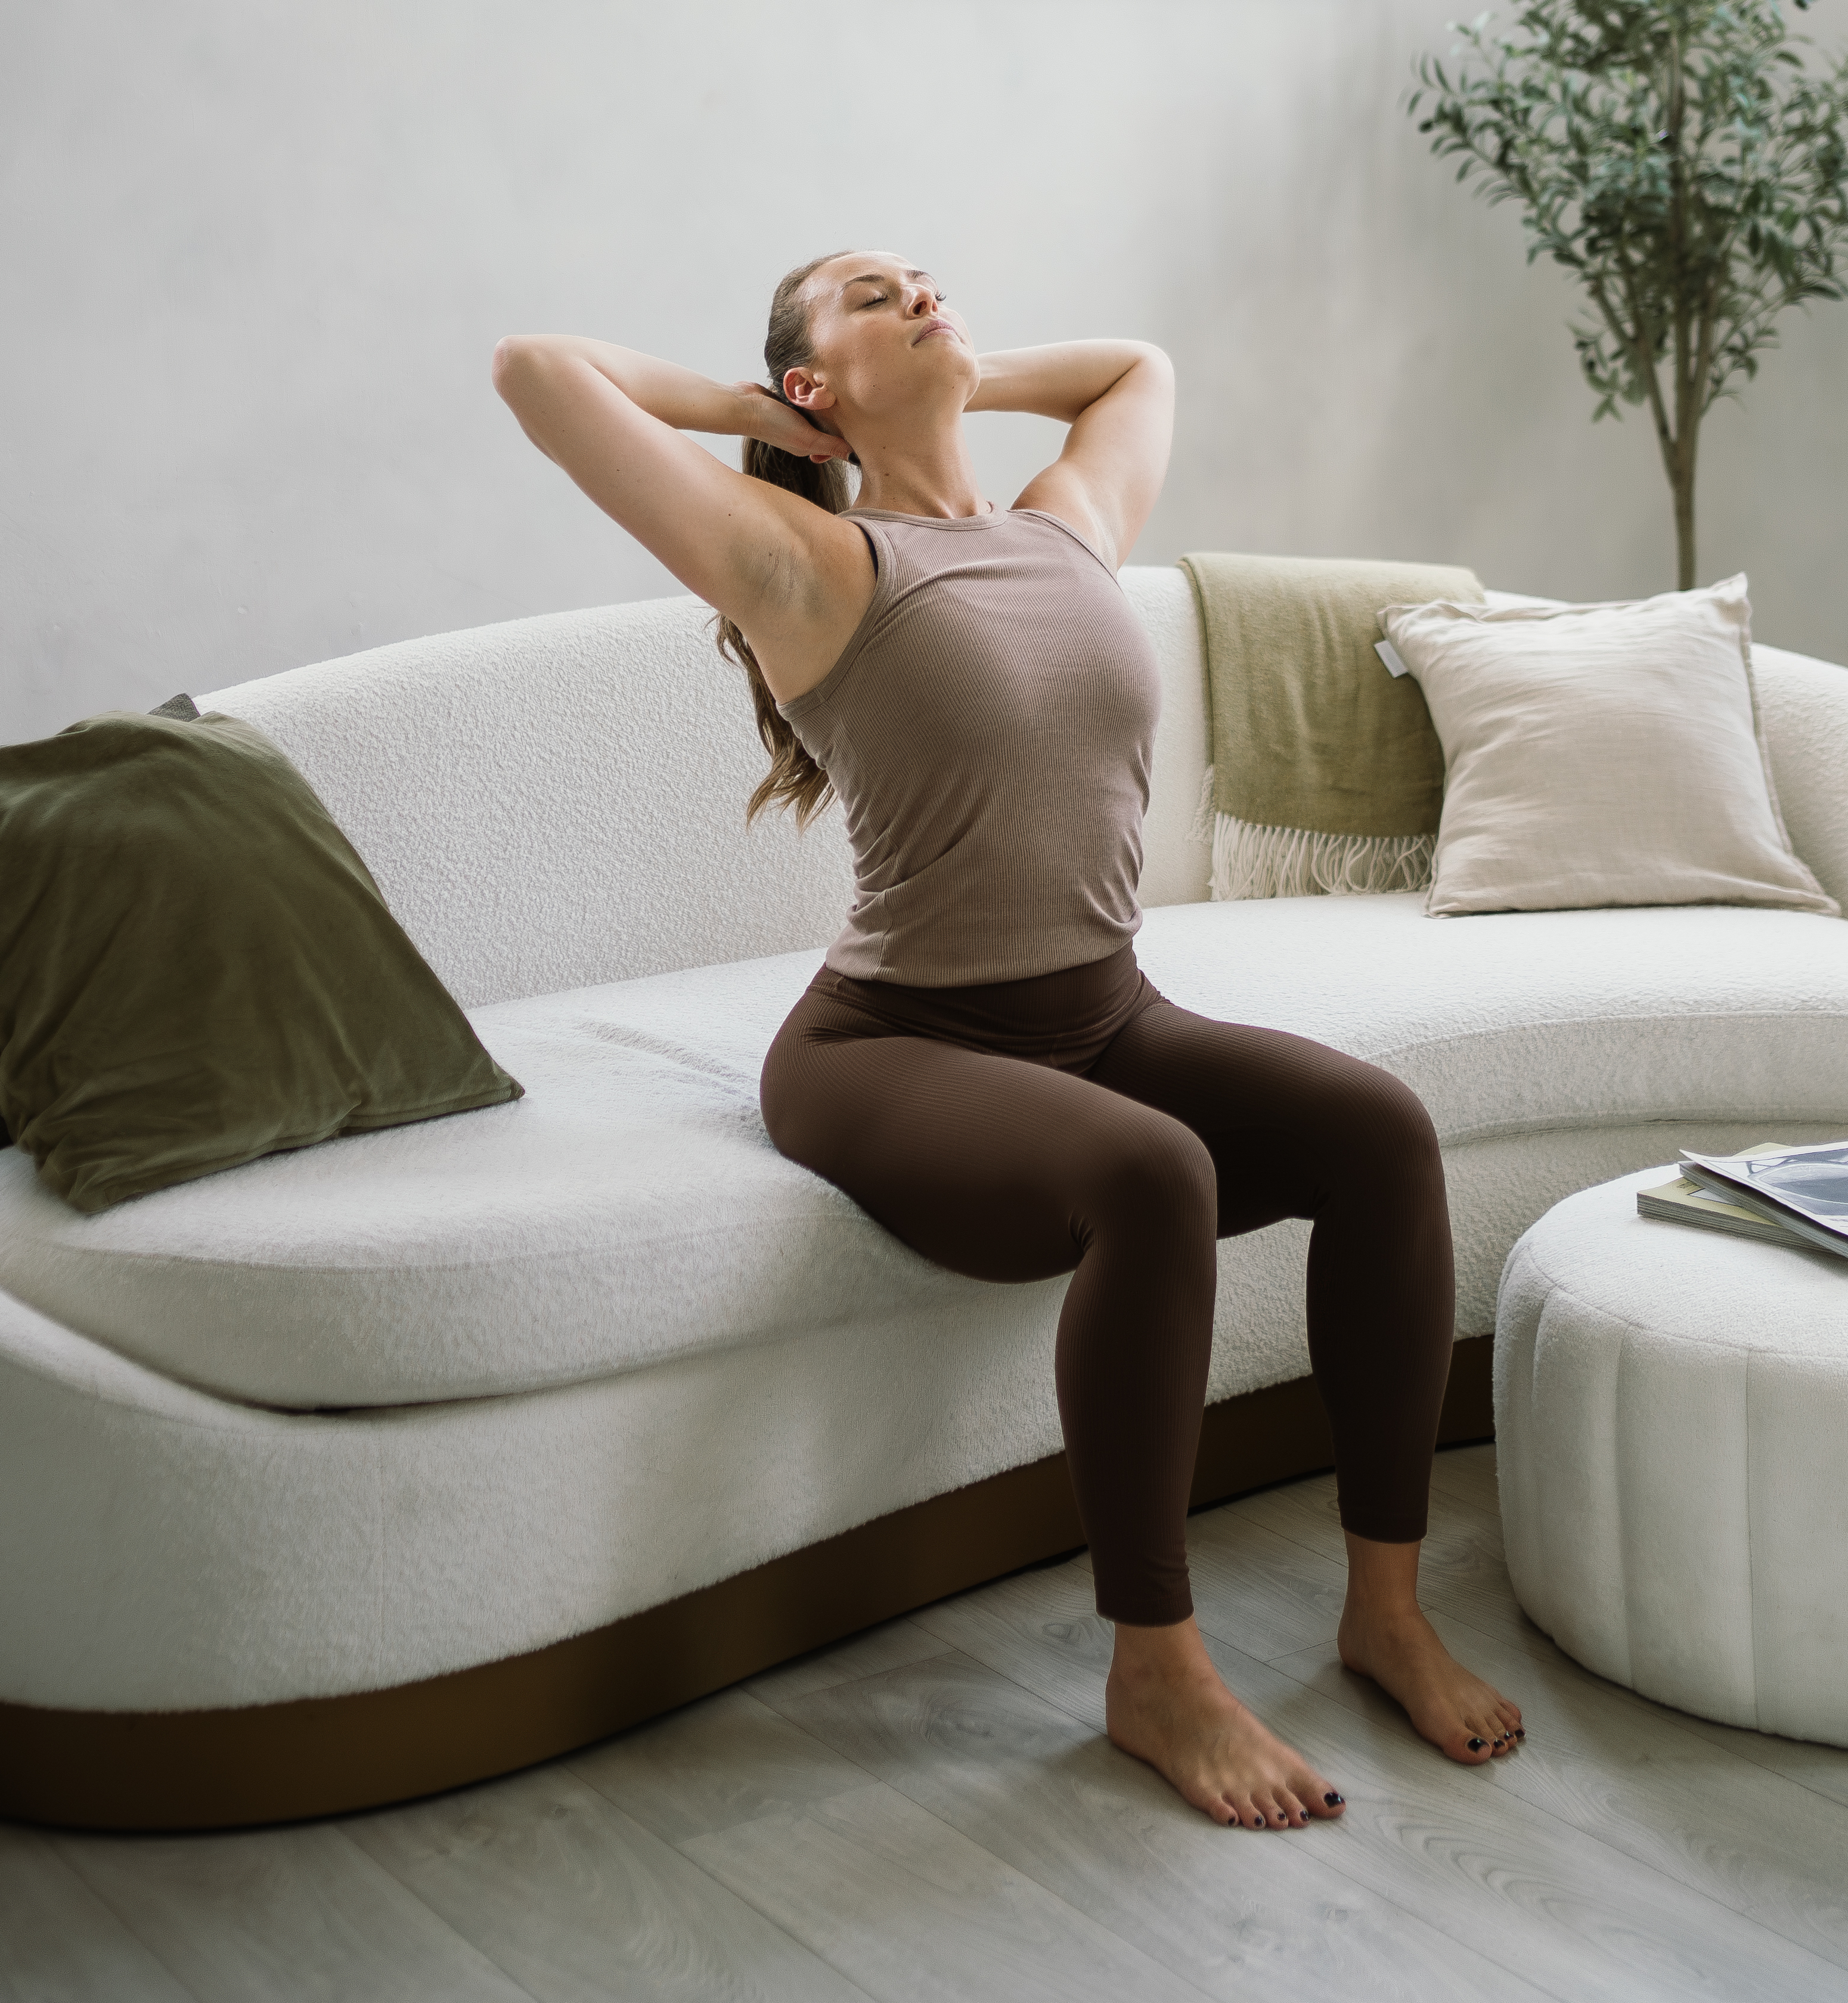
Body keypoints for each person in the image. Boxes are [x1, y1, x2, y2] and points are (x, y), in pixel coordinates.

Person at [492, 250, 1523, 1831]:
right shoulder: (804, 561)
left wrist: (950, 366)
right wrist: (767, 417)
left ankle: (1383, 1611)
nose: (917, 284)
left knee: (1378, 1132)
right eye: (864, 291)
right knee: (1155, 1175)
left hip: (1106, 1013)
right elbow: (536, 373)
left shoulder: (1064, 529)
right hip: (893, 1053)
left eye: (927, 274)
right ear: (811, 383)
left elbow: (1138, 371)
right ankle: (1156, 1669)